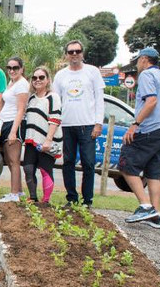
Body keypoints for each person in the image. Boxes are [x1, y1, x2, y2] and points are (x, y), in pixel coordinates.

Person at [121, 47, 160, 229]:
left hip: (148, 129)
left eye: (138, 60)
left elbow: (151, 101)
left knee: (125, 164)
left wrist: (135, 124)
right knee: (153, 174)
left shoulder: (146, 75)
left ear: (145, 59)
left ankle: (145, 206)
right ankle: (156, 215)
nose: (137, 64)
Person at [53, 40, 105, 207]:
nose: (74, 54)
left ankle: (87, 200)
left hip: (87, 125)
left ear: (83, 53)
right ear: (66, 54)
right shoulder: (61, 75)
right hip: (67, 125)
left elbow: (99, 100)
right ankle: (71, 198)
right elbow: (56, 101)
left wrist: (98, 124)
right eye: (71, 52)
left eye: (77, 51)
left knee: (88, 163)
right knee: (68, 162)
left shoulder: (92, 72)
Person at [23, 66, 62, 203]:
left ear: (47, 80)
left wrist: (48, 140)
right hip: (31, 140)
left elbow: (55, 119)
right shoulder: (31, 98)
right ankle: (33, 197)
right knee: (28, 168)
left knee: (45, 170)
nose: (37, 80)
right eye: (34, 78)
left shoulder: (53, 97)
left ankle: (45, 201)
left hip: (46, 140)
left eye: (41, 77)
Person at [0, 57, 29, 203]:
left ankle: (14, 194)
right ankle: (19, 191)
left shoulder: (22, 84)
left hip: (14, 124)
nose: (11, 70)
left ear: (21, 69)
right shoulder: (12, 82)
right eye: (9, 68)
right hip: (5, 122)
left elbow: (21, 110)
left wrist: (13, 131)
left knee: (14, 160)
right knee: (9, 160)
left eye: (15, 68)